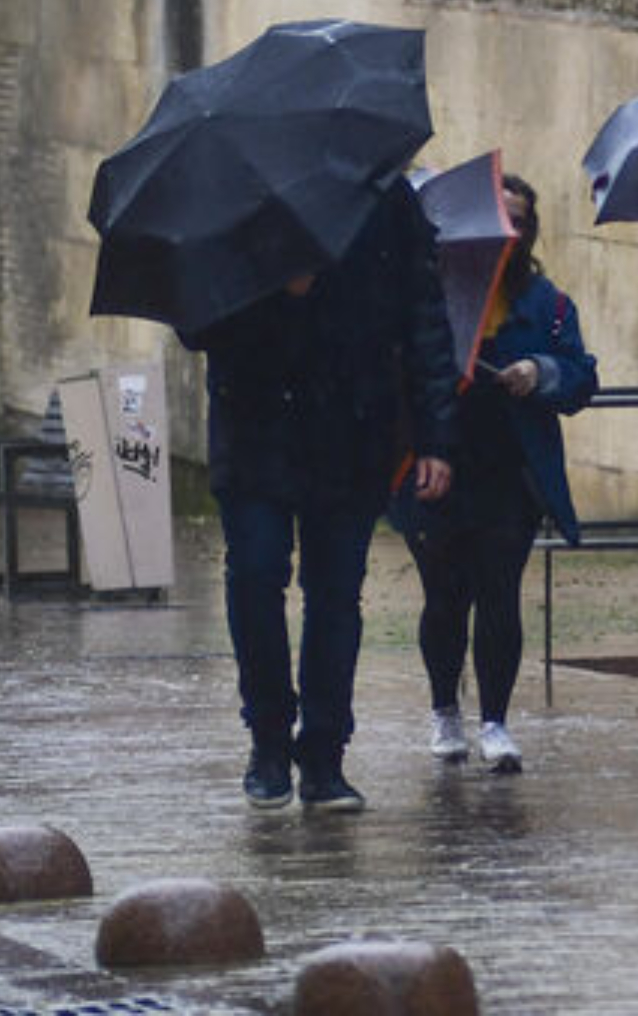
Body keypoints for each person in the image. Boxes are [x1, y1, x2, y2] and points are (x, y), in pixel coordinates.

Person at [180, 175, 460, 813]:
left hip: (351, 431)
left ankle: (325, 752)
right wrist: (277, 288)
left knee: (335, 597)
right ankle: (269, 741)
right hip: (255, 431)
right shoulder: (234, 198)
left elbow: (424, 321)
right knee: (255, 576)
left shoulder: (385, 198)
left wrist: (437, 437)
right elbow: (194, 325)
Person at [391, 173, 599, 774]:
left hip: (509, 465)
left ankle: (495, 721)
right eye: (502, 218)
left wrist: (539, 372)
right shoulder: (433, 291)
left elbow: (581, 374)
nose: (511, 231)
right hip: (438, 459)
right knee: (445, 595)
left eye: (522, 221)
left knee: (500, 594)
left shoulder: (545, 302)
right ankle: (444, 712)